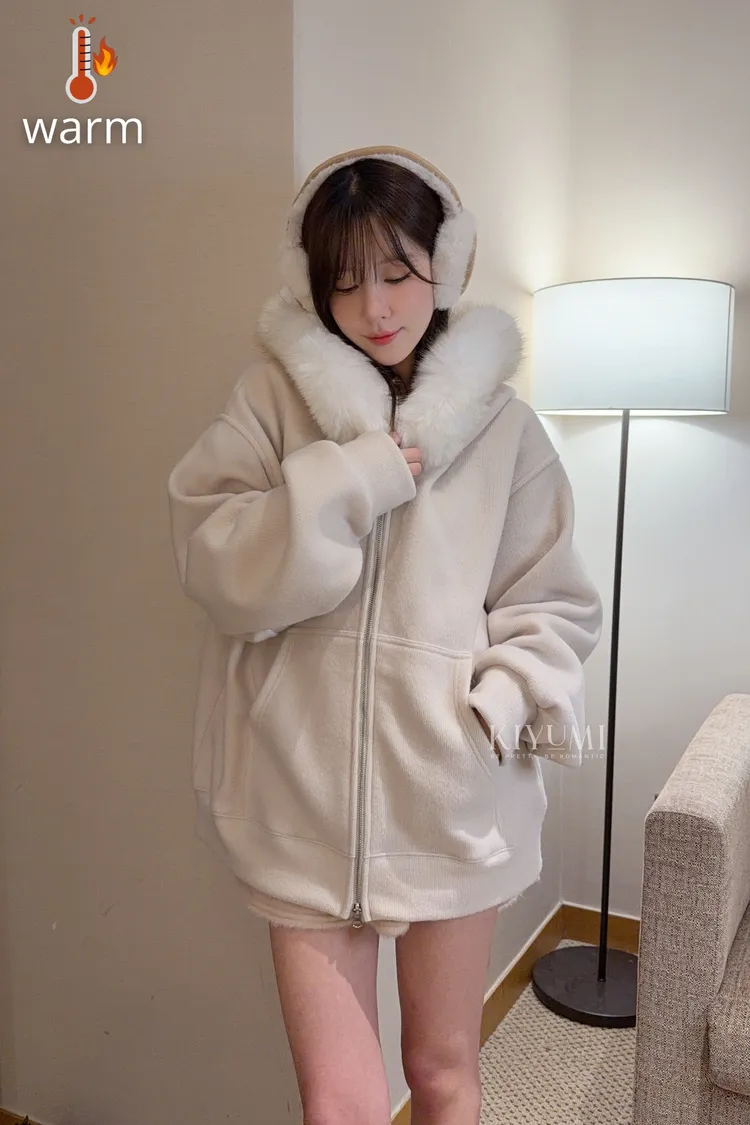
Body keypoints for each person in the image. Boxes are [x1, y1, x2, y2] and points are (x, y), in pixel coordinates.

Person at [166, 145, 603, 1125]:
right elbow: (213, 558)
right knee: (338, 1105)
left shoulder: (507, 433)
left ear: (444, 264)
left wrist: (493, 708)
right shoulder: (270, 405)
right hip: (298, 798)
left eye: (398, 272)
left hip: (453, 794)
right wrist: (351, 479)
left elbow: (555, 605)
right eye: (346, 281)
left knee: (443, 1072)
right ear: (313, 285)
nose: (375, 307)